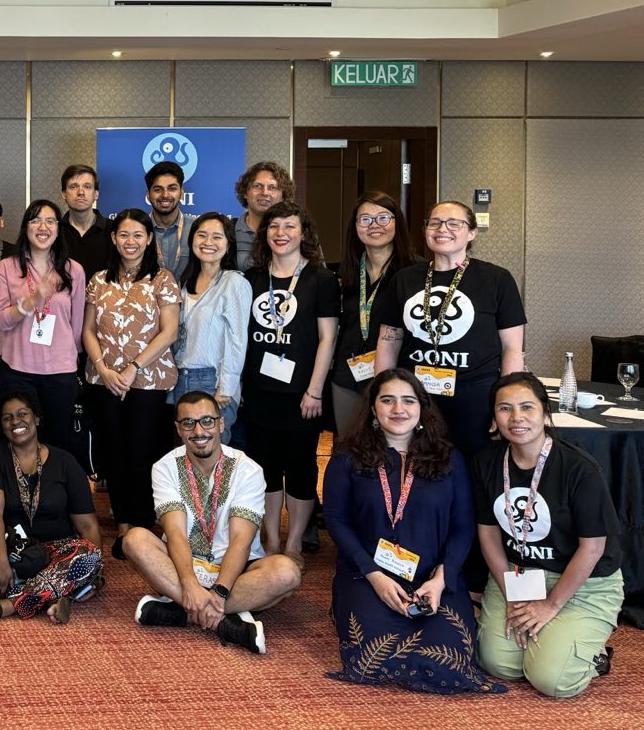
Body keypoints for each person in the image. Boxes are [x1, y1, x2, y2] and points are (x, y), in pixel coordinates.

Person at [322, 369, 503, 692]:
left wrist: (441, 579)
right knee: (375, 655)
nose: (398, 409)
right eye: (387, 400)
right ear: (373, 408)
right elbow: (336, 521)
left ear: (422, 407)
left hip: (433, 575)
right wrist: (374, 576)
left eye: (408, 401)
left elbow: (463, 527)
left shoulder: (449, 459)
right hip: (366, 574)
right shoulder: (346, 458)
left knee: (451, 657)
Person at [473, 373, 623, 698]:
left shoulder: (579, 468)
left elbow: (593, 548)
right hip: (519, 574)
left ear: (544, 412)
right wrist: (512, 593)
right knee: (498, 663)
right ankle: (558, 641)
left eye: (527, 407)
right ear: (494, 417)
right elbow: (488, 535)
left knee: (553, 680)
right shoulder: (486, 462)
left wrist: (550, 605)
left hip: (583, 581)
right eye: (505, 408)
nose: (516, 417)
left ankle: (591, 653)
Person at [125, 392, 301, 653]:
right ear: (178, 429)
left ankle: (182, 611)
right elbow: (175, 534)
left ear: (221, 424)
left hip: (238, 572)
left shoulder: (248, 469)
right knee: (134, 540)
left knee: (287, 573)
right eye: (188, 423)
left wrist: (219, 592)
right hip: (184, 565)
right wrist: (189, 583)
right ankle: (223, 622)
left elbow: (241, 541)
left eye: (207, 421)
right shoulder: (164, 467)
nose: (199, 431)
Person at [375, 200, 526, 459]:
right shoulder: (404, 279)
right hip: (415, 398)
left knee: (473, 470)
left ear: (472, 232)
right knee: (416, 467)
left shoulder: (496, 279)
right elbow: (388, 342)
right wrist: (382, 395)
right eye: (435, 223)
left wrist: (506, 405)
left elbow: (512, 348)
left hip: (476, 400)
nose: (442, 229)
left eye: (454, 223)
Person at [0, 385, 103, 626]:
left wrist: (95, 572)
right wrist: (1, 560)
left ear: (37, 418)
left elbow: (87, 526)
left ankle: (7, 604)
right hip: (10, 550)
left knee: (89, 554)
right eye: (7, 418)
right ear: (2, 426)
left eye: (22, 414)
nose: (15, 422)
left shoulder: (65, 461)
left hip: (55, 552)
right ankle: (53, 592)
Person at [240, 200, 339, 562]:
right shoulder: (251, 278)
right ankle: (270, 540)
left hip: (302, 395)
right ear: (264, 233)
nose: (281, 233)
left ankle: (295, 541)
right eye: (274, 226)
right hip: (258, 392)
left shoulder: (321, 279)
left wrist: (315, 390)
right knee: (264, 468)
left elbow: (328, 338)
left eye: (290, 226)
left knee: (300, 468)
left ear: (303, 233)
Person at [82, 208, 181, 557]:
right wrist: (102, 368)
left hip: (148, 382)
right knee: (113, 453)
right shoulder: (99, 280)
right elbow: (88, 330)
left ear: (149, 238)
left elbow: (169, 331)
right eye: (124, 234)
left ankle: (142, 525)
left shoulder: (163, 280)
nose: (131, 241)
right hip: (104, 380)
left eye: (138, 234)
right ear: (113, 238)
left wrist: (133, 367)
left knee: (143, 455)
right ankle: (123, 524)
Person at [0, 200, 87, 463]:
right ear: (26, 227)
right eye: (36, 221)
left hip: (60, 372)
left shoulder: (74, 270)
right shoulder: (7, 267)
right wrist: (31, 302)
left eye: (50, 221)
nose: (43, 227)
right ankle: (18, 488)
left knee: (57, 442)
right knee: (17, 440)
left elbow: (77, 325)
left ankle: (55, 490)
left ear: (58, 228)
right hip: (17, 371)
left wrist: (70, 358)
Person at [331, 191, 417, 432]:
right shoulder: (344, 273)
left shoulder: (416, 273)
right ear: (355, 226)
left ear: (397, 222)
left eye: (383, 217)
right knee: (349, 446)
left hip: (399, 380)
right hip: (347, 378)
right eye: (365, 219)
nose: (374, 225)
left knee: (393, 446)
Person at [169, 212, 251, 444]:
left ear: (228, 244)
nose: (208, 242)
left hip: (213, 381)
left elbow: (238, 340)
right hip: (181, 378)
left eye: (217, 237)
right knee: (186, 456)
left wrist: (227, 387)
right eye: (202, 235)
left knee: (211, 456)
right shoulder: (186, 281)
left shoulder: (234, 282)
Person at [231, 161, 294, 269]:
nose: (265, 193)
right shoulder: (228, 231)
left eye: (272, 187)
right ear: (245, 193)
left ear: (283, 196)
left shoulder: (295, 233)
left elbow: (316, 274)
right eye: (257, 186)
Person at [58, 163, 111, 282]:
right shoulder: (54, 232)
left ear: (96, 194)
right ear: (64, 194)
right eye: (73, 187)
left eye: (87, 186)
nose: (81, 192)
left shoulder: (114, 230)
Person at [145, 159, 197, 278]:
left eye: (172, 188)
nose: (165, 195)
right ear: (148, 194)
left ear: (181, 193)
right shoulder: (138, 230)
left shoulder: (197, 229)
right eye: (158, 190)